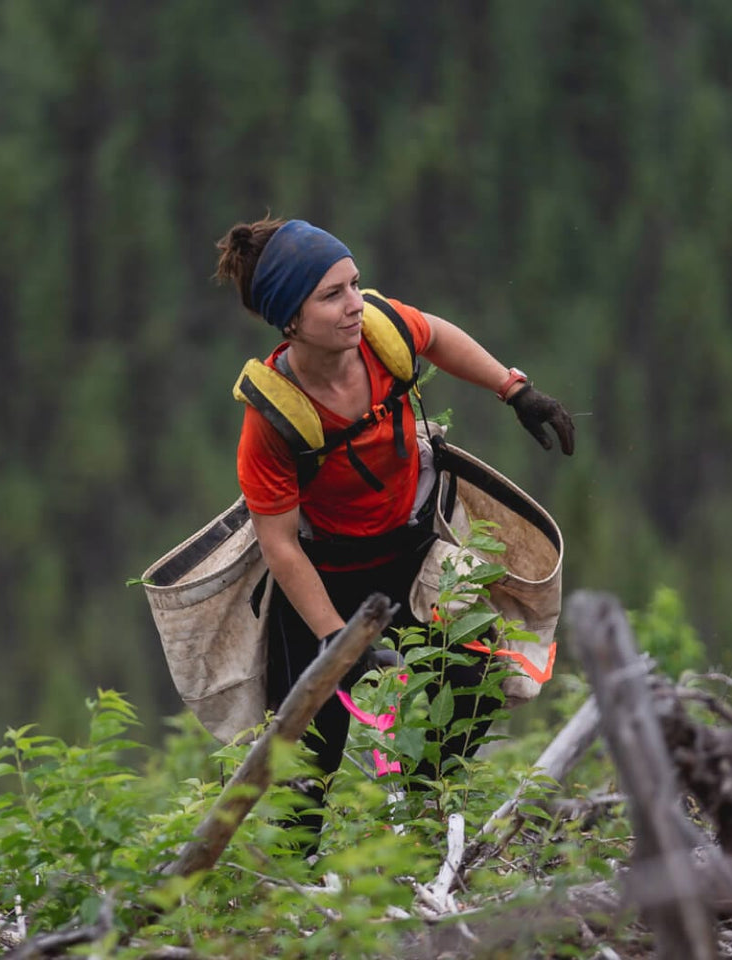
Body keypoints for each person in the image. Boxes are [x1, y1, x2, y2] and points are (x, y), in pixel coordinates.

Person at [214, 216, 574, 851]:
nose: (355, 304)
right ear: (289, 320)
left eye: (355, 284)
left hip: (411, 554)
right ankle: (287, 897)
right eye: (332, 295)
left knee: (470, 682)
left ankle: (427, 839)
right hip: (325, 581)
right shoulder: (270, 421)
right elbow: (279, 545)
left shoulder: (382, 334)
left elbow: (435, 335)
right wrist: (337, 642)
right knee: (308, 759)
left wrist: (515, 390)